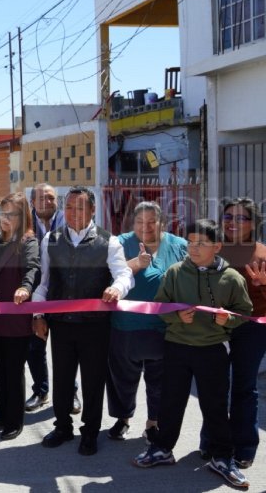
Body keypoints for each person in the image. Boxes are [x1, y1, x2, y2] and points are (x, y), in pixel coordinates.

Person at [133, 219, 253, 490]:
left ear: (217, 247)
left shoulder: (232, 278)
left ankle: (222, 457)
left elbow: (243, 312)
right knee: (170, 401)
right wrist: (176, 316)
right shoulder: (175, 272)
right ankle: (162, 448)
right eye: (190, 242)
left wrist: (228, 319)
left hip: (213, 349)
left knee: (215, 405)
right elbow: (160, 306)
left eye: (202, 243)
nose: (194, 248)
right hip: (177, 346)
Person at [31, 186, 133, 456]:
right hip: (61, 324)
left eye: (80, 207)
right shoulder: (50, 240)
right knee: (62, 378)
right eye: (69, 207)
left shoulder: (109, 241)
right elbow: (43, 283)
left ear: (92, 210)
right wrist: (38, 314)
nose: (73, 212)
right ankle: (63, 426)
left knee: (93, 380)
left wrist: (117, 288)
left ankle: (90, 432)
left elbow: (124, 275)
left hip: (95, 325)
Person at [105, 202, 186, 443]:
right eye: (140, 222)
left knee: (160, 380)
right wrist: (135, 264)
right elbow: (109, 274)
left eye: (152, 222)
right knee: (122, 378)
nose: (145, 227)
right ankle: (123, 418)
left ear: (163, 223)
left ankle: (153, 422)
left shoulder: (179, 246)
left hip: (165, 328)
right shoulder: (119, 243)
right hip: (125, 325)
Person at [0, 193, 40, 441]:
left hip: (16, 315)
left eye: (11, 214)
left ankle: (14, 420)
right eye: (2, 213)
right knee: (0, 367)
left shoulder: (28, 241)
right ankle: (1, 412)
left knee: (14, 369)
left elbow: (32, 269)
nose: (5, 218)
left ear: (22, 216)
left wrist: (25, 288)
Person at [214, 198, 266, 468]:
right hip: (214, 327)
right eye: (228, 217)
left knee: (244, 387)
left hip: (251, 330)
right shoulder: (213, 250)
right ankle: (212, 442)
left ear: (254, 223)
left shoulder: (262, 255)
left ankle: (245, 447)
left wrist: (263, 284)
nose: (232, 223)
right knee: (214, 386)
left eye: (240, 218)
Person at [24, 183, 69, 413]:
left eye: (51, 197)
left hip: (64, 294)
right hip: (34, 293)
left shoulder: (68, 221)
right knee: (35, 347)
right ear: (32, 202)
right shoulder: (25, 224)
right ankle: (41, 391)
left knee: (67, 350)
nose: (47, 202)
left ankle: (71, 393)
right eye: (41, 198)